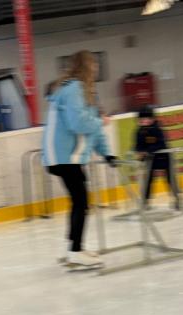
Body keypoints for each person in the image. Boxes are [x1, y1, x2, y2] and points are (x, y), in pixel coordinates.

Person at [41, 50, 116, 270]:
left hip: (67, 157)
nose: (96, 68)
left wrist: (107, 153)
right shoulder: (75, 89)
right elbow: (79, 123)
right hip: (63, 156)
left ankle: (74, 249)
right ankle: (75, 251)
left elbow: (93, 128)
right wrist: (101, 122)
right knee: (81, 202)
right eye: (93, 64)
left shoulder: (85, 91)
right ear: (86, 67)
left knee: (79, 202)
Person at [134, 104, 182, 211]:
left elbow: (161, 144)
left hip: (164, 158)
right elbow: (137, 145)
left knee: (170, 179)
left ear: (151, 118)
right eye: (141, 119)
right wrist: (139, 152)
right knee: (148, 180)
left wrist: (147, 151)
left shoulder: (158, 129)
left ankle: (177, 199)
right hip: (151, 159)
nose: (143, 121)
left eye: (146, 118)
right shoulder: (139, 131)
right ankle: (145, 202)